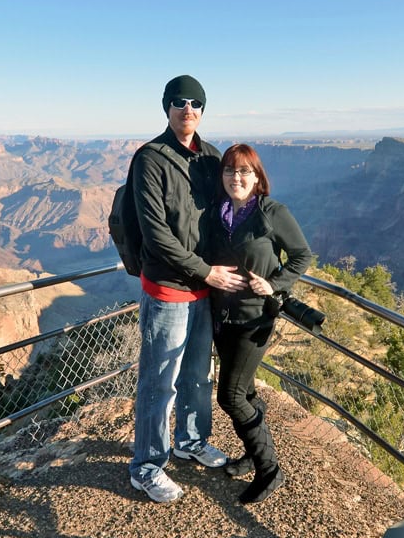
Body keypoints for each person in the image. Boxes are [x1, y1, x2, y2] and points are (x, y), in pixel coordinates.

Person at [128, 75, 247, 503]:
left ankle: (190, 440)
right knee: (160, 383)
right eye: (180, 101)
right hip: (168, 291)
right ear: (166, 107)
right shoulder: (151, 159)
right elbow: (156, 234)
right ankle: (146, 466)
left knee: (198, 376)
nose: (189, 109)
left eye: (197, 102)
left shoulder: (211, 158)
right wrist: (207, 271)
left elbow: (231, 212)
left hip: (205, 291)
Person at [207, 144, 312, 503]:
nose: (236, 178)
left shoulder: (271, 213)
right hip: (222, 317)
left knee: (230, 396)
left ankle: (270, 469)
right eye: (229, 171)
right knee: (246, 391)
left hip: (255, 320)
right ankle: (253, 455)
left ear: (257, 176)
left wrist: (276, 284)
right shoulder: (216, 213)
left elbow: (302, 255)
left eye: (244, 171)